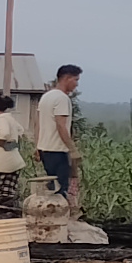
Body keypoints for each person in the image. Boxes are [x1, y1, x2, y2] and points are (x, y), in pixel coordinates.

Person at [37, 65, 82, 199]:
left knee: (52, 188)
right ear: (67, 78)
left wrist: (37, 145)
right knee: (61, 190)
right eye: (75, 80)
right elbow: (61, 126)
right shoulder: (62, 98)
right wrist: (72, 149)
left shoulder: (46, 97)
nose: (76, 84)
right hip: (58, 150)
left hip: (45, 149)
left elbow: (38, 123)